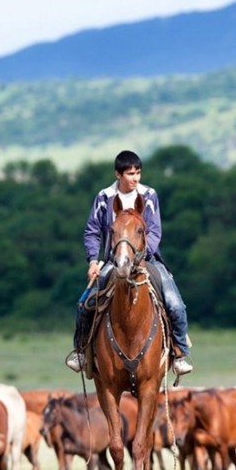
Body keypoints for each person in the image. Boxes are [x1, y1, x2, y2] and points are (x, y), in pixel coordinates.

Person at [66, 149, 193, 376]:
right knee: (85, 304)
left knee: (175, 304)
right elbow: (92, 231)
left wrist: (141, 255)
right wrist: (93, 260)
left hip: (147, 259)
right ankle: (81, 351)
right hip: (113, 261)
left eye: (138, 173)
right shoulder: (104, 198)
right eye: (130, 174)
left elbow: (154, 231)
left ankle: (180, 353)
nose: (135, 178)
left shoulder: (149, 195)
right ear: (118, 174)